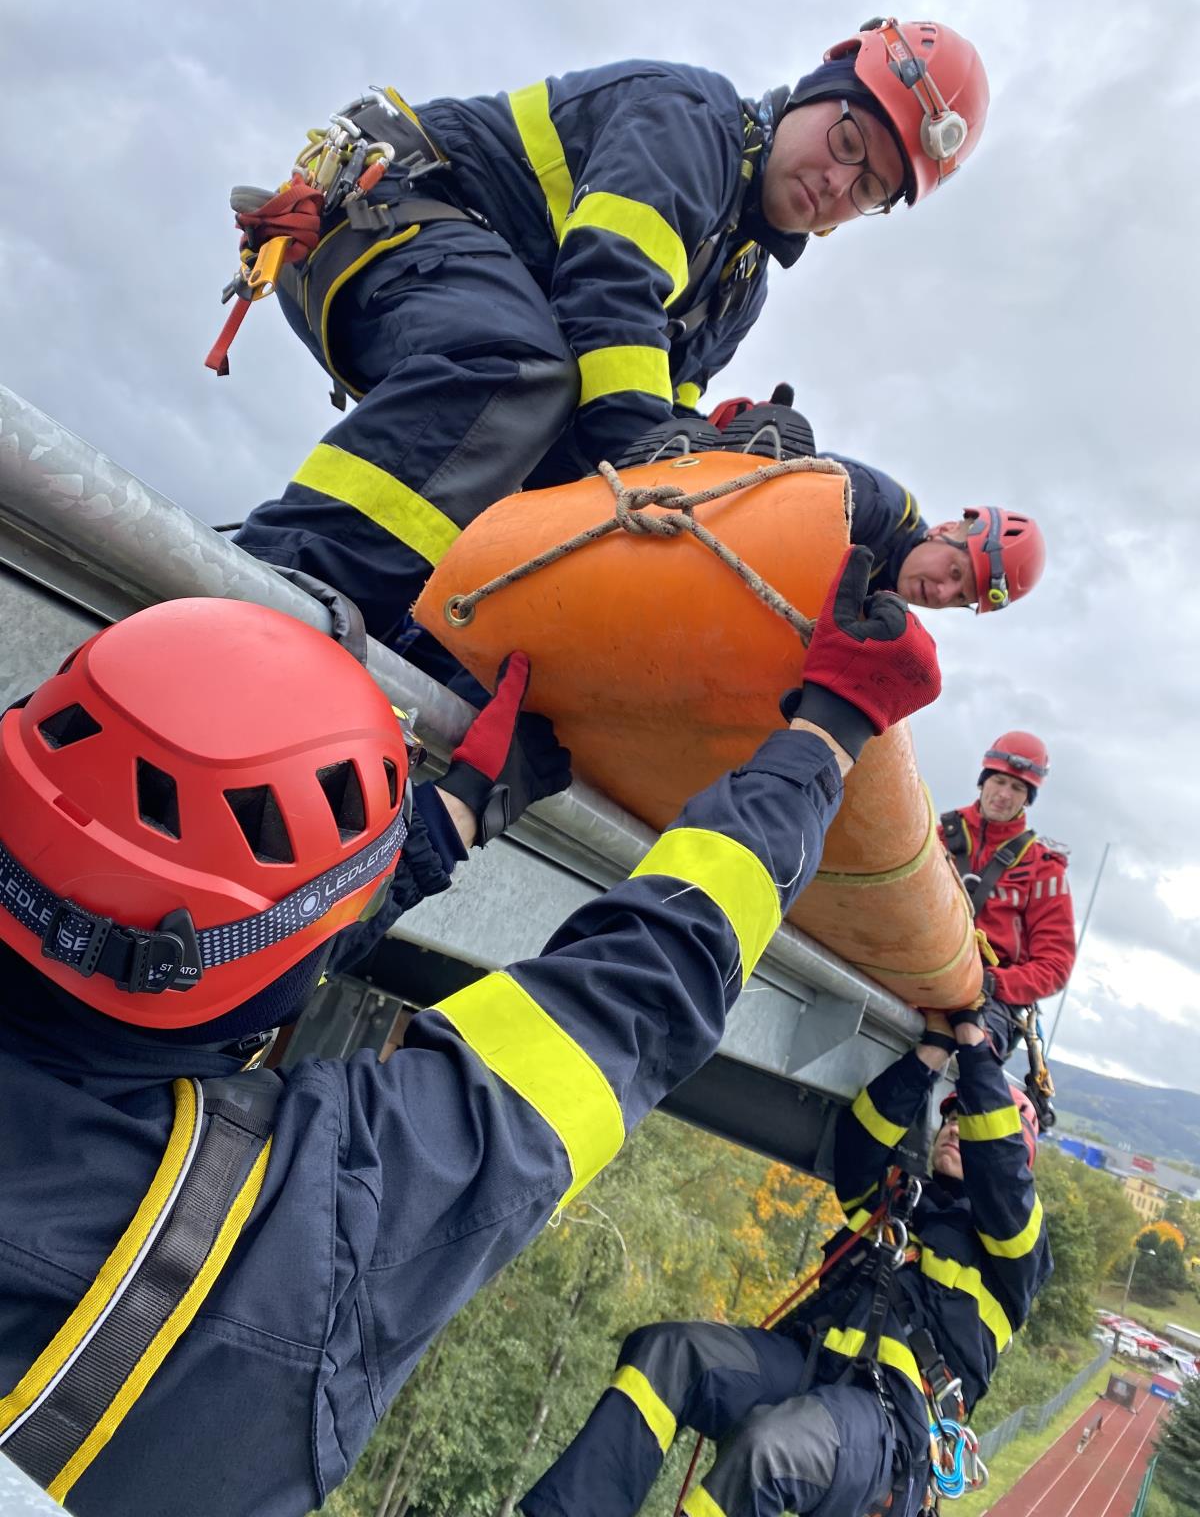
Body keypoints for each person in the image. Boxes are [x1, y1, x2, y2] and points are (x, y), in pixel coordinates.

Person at [0, 547, 940, 1516]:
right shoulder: (284, 1239)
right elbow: (629, 1000)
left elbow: (216, 935)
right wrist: (827, 736)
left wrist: (451, 817)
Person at [227, 19, 989, 671]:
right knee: (522, 372)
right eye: (847, 140)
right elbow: (608, 287)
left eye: (868, 191)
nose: (838, 182)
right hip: (382, 217)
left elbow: (650, 419)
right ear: (818, 89)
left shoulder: (739, 282)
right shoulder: (693, 123)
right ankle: (277, 589)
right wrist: (661, 462)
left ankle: (415, 639)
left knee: (571, 499)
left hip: (462, 294)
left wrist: (717, 472)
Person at [520, 1011, 1051, 1517]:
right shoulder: (901, 1205)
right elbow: (858, 1148)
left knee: (768, 1450)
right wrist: (930, 1055)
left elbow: (1002, 1172)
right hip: (810, 1367)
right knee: (670, 1351)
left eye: (970, 1123)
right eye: (951, 1117)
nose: (955, 1128)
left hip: (890, 1424)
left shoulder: (1017, 1253)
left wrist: (976, 1048)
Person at [697, 389, 1046, 612]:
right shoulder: (877, 507)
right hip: (713, 508)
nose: (942, 594)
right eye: (955, 572)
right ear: (945, 529)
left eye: (960, 598)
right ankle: (726, 449)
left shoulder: (885, 609)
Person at [939, 731, 1076, 1061]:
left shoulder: (1044, 869)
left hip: (993, 999)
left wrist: (991, 982)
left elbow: (1055, 965)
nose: (1004, 794)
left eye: (1017, 788)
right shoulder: (937, 836)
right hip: (924, 971)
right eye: (999, 781)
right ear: (983, 781)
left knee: (969, 1052)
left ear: (1028, 798)